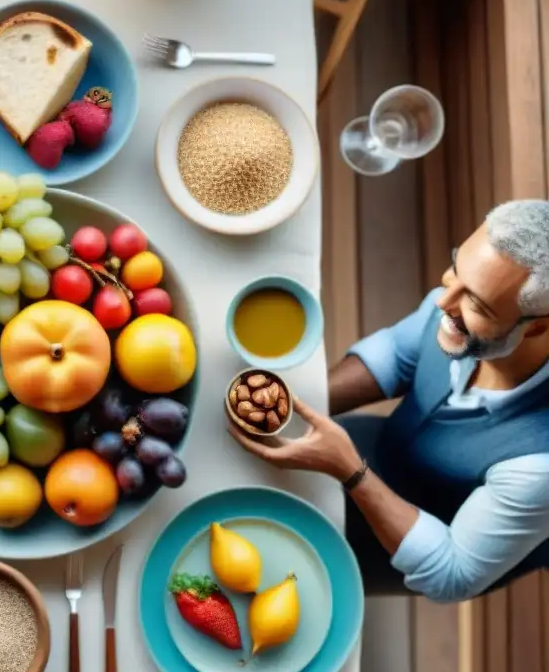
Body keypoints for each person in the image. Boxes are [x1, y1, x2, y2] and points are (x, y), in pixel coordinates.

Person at [229, 200, 549, 603]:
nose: (442, 303)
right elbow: (399, 354)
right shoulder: (456, 311)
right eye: (455, 271)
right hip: (363, 449)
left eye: (476, 304)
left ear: (537, 326)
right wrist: (286, 403)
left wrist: (350, 470)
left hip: (397, 539)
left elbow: (452, 573)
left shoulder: (541, 466)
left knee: (281, 572)